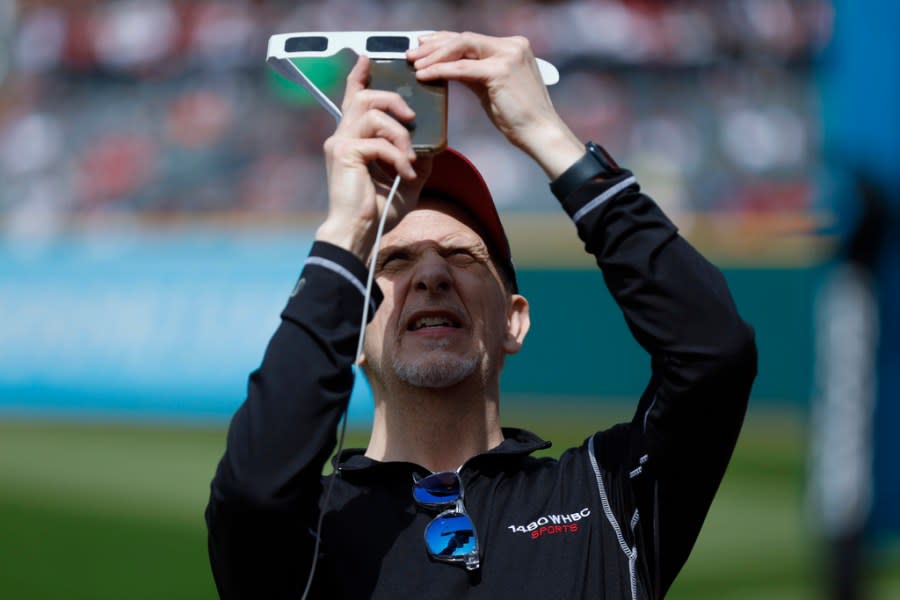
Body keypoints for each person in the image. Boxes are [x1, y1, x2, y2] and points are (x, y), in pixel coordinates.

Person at [205, 32, 757, 599]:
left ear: (514, 320)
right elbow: (252, 490)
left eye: (462, 257)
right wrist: (348, 231)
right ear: (351, 333)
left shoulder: (609, 494)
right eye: (395, 260)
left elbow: (714, 354)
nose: (431, 275)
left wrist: (548, 137)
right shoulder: (305, 532)